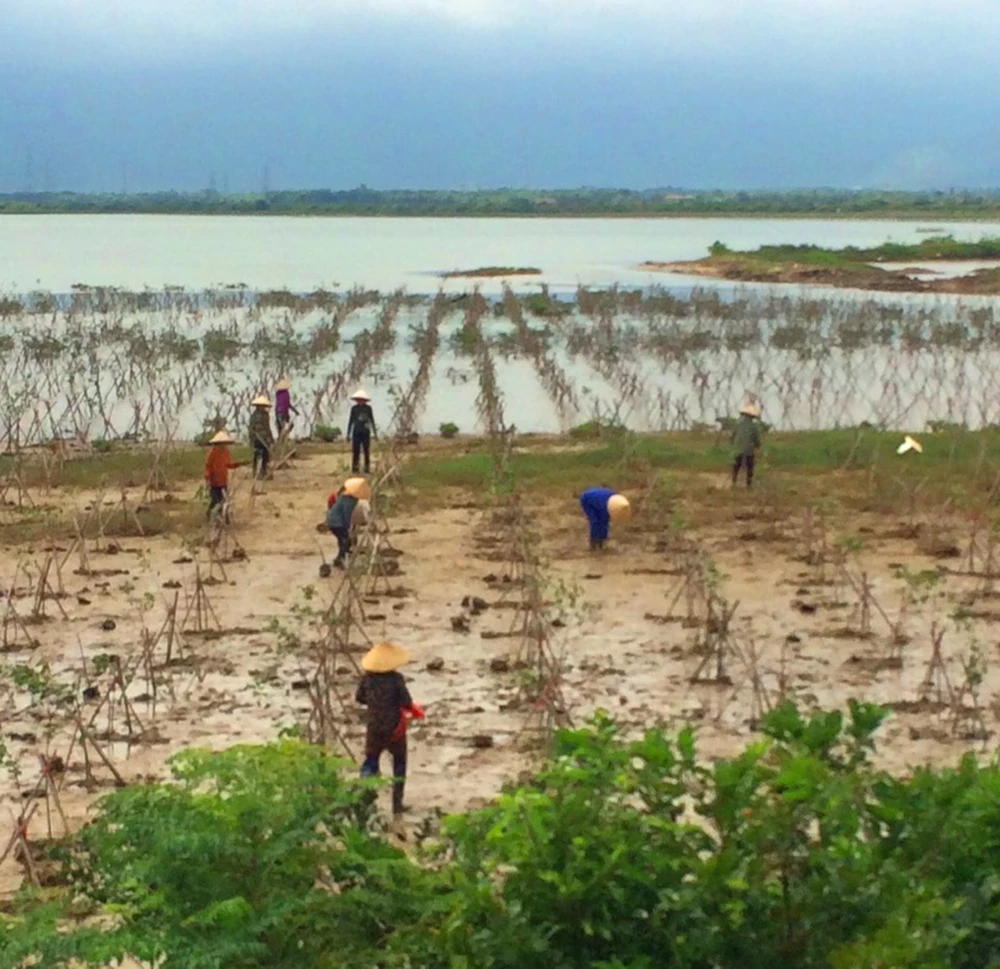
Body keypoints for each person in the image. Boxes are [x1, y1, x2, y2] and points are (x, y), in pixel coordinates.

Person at [356, 641, 424, 815]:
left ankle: (365, 802)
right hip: (395, 729)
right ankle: (397, 806)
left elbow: (360, 698)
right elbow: (406, 702)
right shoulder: (396, 680)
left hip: (374, 728)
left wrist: (375, 704)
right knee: (399, 765)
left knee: (370, 763)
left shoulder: (366, 679)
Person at [326, 477, 371, 568]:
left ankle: (341, 557)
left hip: (333, 522)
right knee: (347, 540)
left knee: (342, 540)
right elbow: (347, 514)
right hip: (337, 523)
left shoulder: (343, 498)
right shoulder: (349, 500)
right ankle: (340, 559)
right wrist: (347, 527)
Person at [203, 430, 243, 519]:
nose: (223, 445)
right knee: (216, 501)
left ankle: (222, 518)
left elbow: (228, 464)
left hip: (223, 481)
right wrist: (207, 478)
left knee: (223, 501)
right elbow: (208, 466)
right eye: (221, 443)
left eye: (225, 443)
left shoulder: (226, 452)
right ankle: (211, 516)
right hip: (214, 481)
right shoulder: (212, 453)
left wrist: (237, 464)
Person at [579, 486, 632, 551]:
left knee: (602, 522)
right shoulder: (604, 507)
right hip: (586, 499)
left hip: (597, 498)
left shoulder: (616, 499)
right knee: (595, 521)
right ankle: (594, 542)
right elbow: (604, 522)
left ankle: (601, 542)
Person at [346, 388, 377, 475]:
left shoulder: (368, 409)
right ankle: (355, 469)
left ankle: (367, 469)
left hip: (366, 432)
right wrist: (348, 434)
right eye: (359, 400)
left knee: (366, 450)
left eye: (362, 400)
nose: (360, 401)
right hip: (356, 432)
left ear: (365, 400)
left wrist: (375, 433)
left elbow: (372, 420)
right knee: (356, 451)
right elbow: (351, 421)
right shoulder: (354, 409)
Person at [732, 400, 762, 488]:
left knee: (736, 465)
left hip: (737, 449)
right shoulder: (753, 426)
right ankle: (748, 484)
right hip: (749, 450)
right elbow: (756, 439)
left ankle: (734, 481)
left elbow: (733, 436)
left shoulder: (737, 423)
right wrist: (758, 446)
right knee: (750, 466)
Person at [249, 395, 274, 480]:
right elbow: (252, 427)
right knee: (258, 454)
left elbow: (267, 427)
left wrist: (270, 438)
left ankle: (263, 472)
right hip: (258, 438)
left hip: (264, 438)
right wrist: (252, 437)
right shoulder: (254, 415)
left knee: (265, 455)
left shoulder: (265, 415)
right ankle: (256, 472)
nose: (262, 408)